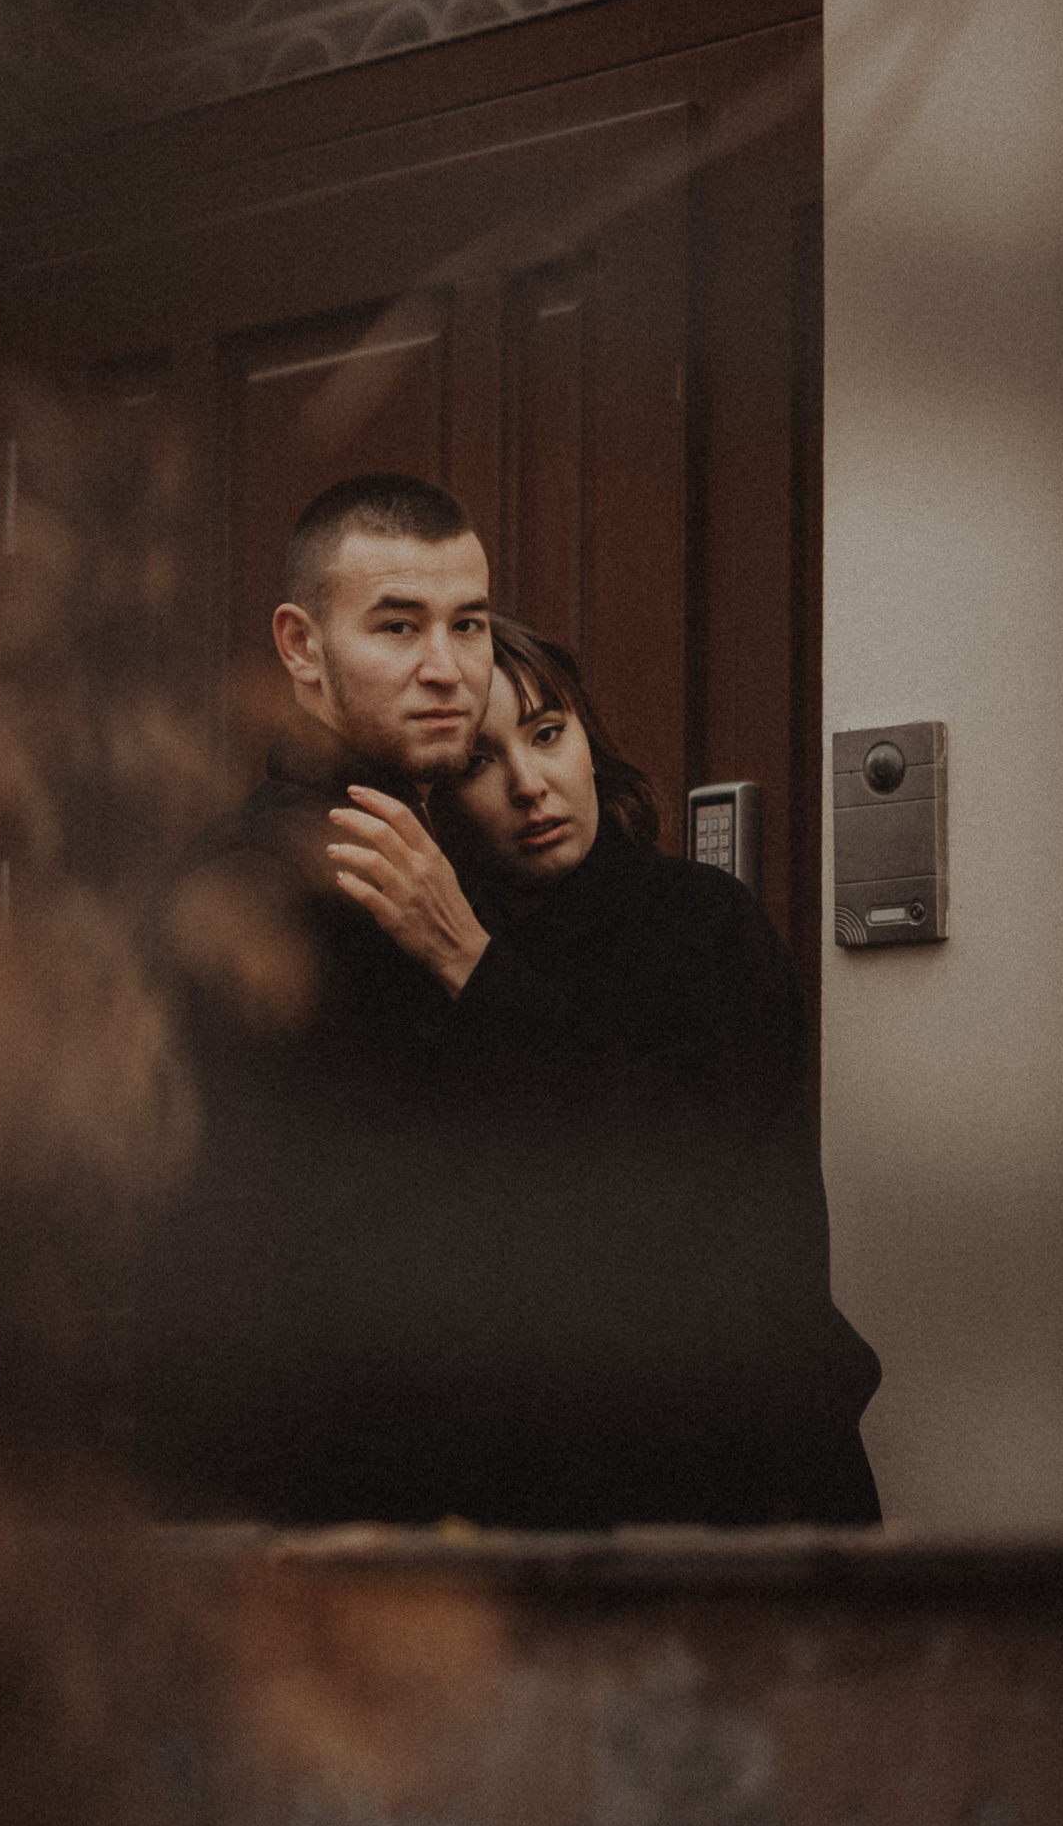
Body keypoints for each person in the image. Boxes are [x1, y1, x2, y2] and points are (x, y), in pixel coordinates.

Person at [322, 613, 882, 1527]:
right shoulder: (405, 974)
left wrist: (472, 963)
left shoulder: (706, 925)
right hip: (519, 1502)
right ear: (433, 808)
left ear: (589, 739)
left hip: (746, 1477)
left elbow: (667, 1185)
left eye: (549, 733)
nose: (529, 784)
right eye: (478, 763)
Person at [119, 472, 503, 1522]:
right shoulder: (265, 885)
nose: (447, 669)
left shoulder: (446, 860)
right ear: (301, 648)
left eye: (469, 625)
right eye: (398, 626)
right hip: (322, 1501)